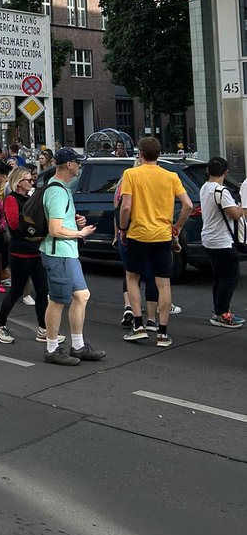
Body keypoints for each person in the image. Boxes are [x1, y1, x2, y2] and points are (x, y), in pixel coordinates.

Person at [119, 137, 192, 349]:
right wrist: (177, 226)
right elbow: (187, 205)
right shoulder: (171, 176)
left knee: (132, 278)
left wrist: (123, 229)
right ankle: (162, 333)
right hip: (162, 235)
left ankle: (138, 326)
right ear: (159, 154)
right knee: (163, 283)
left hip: (138, 233)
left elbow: (126, 207)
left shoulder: (131, 174)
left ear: (140, 154)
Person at [40, 147, 104, 365]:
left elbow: (58, 221)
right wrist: (80, 232)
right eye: (78, 162)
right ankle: (52, 349)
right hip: (59, 253)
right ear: (69, 165)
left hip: (66, 252)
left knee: (82, 296)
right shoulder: (57, 191)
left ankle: (78, 346)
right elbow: (55, 229)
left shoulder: (61, 188)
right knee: (57, 301)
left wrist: (73, 221)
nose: (80, 166)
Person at [0, 167, 59, 346]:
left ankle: (43, 328)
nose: (32, 182)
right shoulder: (12, 199)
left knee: (42, 290)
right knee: (16, 291)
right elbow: (14, 225)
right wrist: (34, 230)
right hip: (20, 252)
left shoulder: (29, 198)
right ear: (19, 182)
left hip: (35, 250)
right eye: (28, 179)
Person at [199, 156, 245, 328]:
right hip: (222, 241)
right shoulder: (221, 191)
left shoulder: (205, 188)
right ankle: (222, 313)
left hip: (209, 238)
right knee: (229, 278)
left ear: (207, 171)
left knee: (219, 277)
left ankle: (219, 311)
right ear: (226, 172)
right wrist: (240, 206)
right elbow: (235, 214)